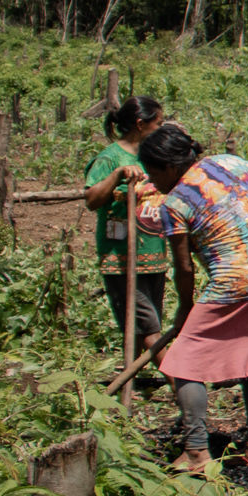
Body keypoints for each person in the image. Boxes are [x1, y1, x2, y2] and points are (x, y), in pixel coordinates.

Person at [138, 126, 248, 473]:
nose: (152, 183)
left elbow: (184, 269)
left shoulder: (176, 201)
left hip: (235, 278)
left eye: (153, 174)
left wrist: (184, 309)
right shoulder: (228, 162)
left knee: (181, 364)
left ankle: (196, 450)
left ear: (168, 167)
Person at [82, 95, 182, 377]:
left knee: (143, 325)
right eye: (158, 123)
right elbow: (91, 200)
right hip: (122, 255)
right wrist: (116, 176)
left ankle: (130, 378)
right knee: (148, 326)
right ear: (140, 124)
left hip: (153, 250)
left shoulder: (153, 155)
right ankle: (180, 380)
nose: (162, 128)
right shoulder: (110, 158)